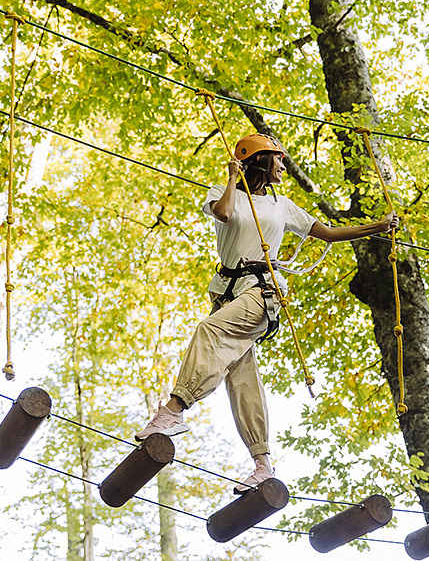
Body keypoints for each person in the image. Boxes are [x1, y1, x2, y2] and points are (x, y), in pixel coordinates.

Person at [135, 133, 399, 492]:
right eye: (277, 159)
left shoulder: (282, 205)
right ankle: (262, 464)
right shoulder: (222, 192)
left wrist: (377, 228)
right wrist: (232, 176)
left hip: (262, 292)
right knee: (242, 378)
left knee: (209, 333)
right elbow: (225, 213)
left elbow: (331, 234)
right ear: (259, 161)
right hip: (228, 295)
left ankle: (173, 410)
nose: (283, 166)